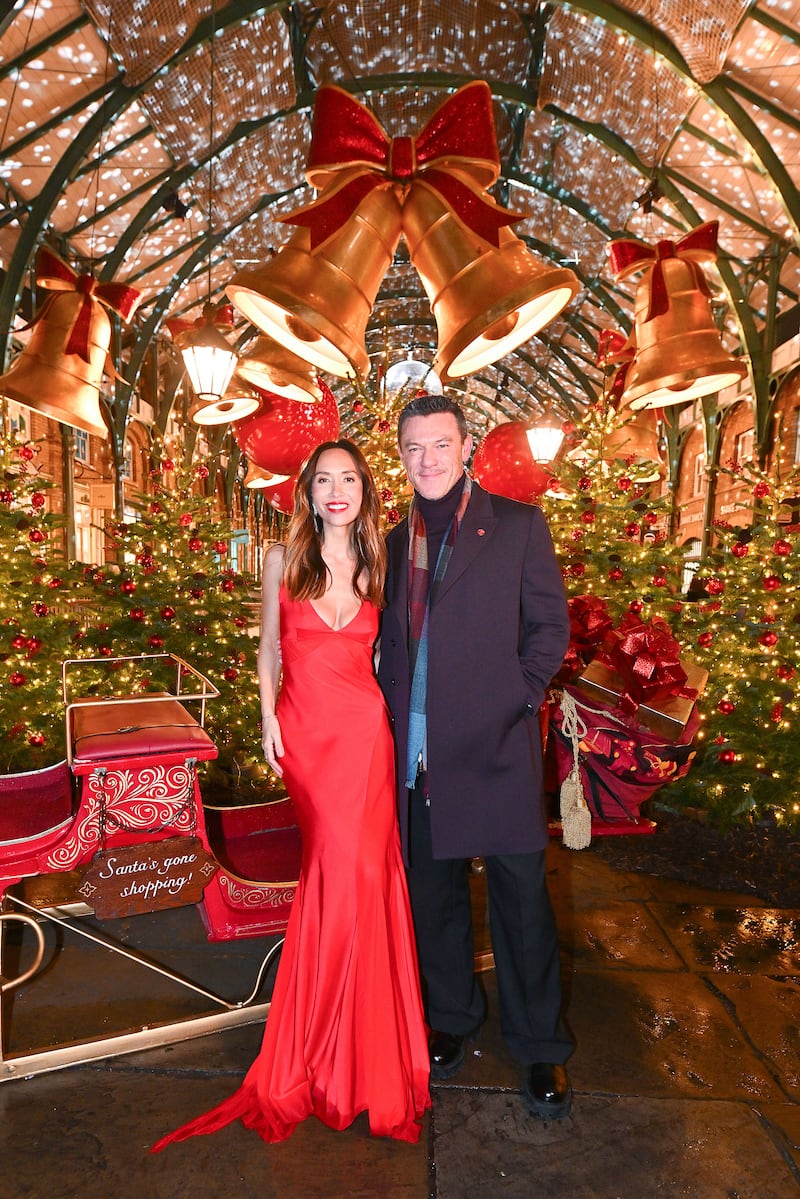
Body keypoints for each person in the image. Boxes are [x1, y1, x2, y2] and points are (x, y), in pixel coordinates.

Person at [152, 440, 430, 1149]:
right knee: (335, 870)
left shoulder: (382, 563)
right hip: (307, 737)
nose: (336, 490)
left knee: (365, 877)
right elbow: (268, 649)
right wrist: (268, 716)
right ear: (307, 492)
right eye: (323, 480)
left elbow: (394, 654)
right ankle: (327, 1047)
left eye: (348, 479)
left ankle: (360, 1052)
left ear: (365, 490)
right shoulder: (284, 561)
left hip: (367, 734)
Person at [377, 394, 574, 1119]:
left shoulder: (517, 524)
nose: (427, 460)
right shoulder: (392, 539)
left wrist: (517, 697)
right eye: (413, 448)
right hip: (419, 757)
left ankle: (540, 1046)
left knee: (523, 906)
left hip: (495, 748)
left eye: (440, 444)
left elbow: (549, 625)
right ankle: (453, 1018)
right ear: (400, 457)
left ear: (466, 449)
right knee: (434, 900)